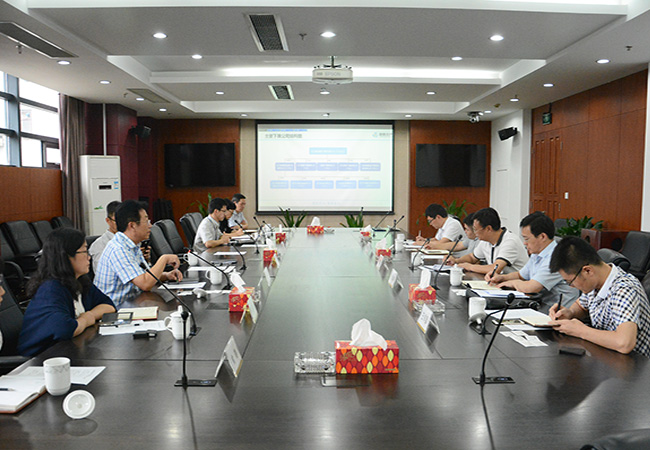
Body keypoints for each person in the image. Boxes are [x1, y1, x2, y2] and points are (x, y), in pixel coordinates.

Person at [17, 228, 116, 357]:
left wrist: (89, 315)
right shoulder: (50, 289)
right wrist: (86, 319)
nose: (89, 257)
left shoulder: (80, 281)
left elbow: (108, 306)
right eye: (84, 251)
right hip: (41, 359)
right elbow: (66, 329)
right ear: (66, 257)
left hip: (69, 350)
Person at [548, 236, 650, 357]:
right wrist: (570, 313)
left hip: (633, 364)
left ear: (587, 271)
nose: (572, 286)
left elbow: (625, 343)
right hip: (606, 356)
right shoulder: (596, 282)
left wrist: (580, 330)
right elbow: (581, 306)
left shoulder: (624, 289)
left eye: (570, 281)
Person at [94, 200, 182, 308]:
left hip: (133, 303)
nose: (150, 226)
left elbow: (143, 275)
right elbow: (145, 284)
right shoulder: (118, 249)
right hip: (116, 311)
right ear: (132, 225)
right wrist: (164, 259)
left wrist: (166, 275)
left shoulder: (131, 245)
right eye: (146, 221)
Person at [485, 212, 579, 311]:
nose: (525, 243)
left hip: (556, 311)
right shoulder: (537, 252)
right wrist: (501, 278)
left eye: (527, 239)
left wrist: (511, 283)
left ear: (542, 237)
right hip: (540, 303)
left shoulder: (556, 256)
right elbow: (521, 275)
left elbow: (532, 287)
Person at [447, 207, 528, 275]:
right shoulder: (485, 241)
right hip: (498, 281)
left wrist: (470, 267)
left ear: (488, 229)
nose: (475, 233)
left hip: (516, 285)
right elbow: (472, 257)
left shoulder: (510, 241)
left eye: (475, 229)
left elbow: (495, 269)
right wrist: (456, 261)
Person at [89, 200, 122, 273]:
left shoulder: (130, 240)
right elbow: (101, 273)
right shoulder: (100, 245)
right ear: (108, 221)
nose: (122, 224)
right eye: (117, 221)